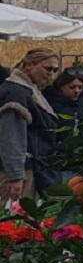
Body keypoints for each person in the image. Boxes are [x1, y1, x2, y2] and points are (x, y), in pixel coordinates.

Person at [0, 49, 63, 198]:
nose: (51, 74)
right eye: (48, 68)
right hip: (17, 172)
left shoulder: (27, 91)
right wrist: (15, 176)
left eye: (55, 70)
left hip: (29, 169)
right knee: (14, 218)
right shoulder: (16, 94)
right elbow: (12, 137)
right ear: (29, 65)